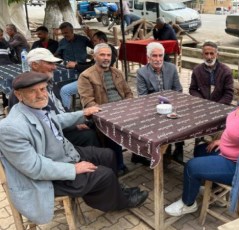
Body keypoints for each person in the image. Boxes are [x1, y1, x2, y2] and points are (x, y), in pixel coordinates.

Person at [0, 71, 148, 224]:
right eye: (32, 91)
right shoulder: (10, 128)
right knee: (104, 175)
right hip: (49, 176)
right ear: (18, 95)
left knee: (108, 155)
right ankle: (120, 202)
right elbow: (34, 168)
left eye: (42, 89)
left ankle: (114, 192)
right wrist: (73, 169)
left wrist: (83, 113)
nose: (40, 95)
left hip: (62, 155)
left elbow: (55, 120)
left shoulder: (34, 107)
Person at [164, 65, 239, 216]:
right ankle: (212, 185)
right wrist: (222, 141)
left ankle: (188, 203)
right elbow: (237, 130)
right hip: (229, 153)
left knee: (191, 166)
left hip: (238, 166)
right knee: (199, 150)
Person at [7, 48, 100, 147]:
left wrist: (74, 122)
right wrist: (74, 122)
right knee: (90, 136)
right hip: (52, 137)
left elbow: (60, 110)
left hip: (62, 125)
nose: (54, 67)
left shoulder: (49, 83)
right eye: (49, 63)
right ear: (34, 65)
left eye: (54, 64)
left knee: (95, 123)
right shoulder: (23, 91)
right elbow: (41, 124)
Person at [78, 43, 133, 176]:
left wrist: (127, 107)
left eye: (108, 55)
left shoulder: (117, 72)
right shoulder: (86, 76)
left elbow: (128, 93)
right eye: (102, 54)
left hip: (124, 111)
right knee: (112, 132)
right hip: (103, 115)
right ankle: (118, 165)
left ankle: (141, 156)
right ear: (94, 56)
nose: (106, 58)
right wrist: (111, 113)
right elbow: (89, 102)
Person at [136, 42, 183, 163]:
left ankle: (179, 148)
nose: (158, 59)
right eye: (154, 56)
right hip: (153, 108)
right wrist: (162, 102)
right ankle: (160, 152)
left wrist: (169, 103)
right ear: (148, 58)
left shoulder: (171, 68)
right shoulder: (142, 73)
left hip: (172, 105)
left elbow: (178, 90)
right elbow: (143, 97)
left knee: (181, 118)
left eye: (160, 55)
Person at [55, 22, 94, 110]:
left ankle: (67, 111)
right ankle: (62, 109)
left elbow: (95, 46)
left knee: (65, 90)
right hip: (68, 72)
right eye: (63, 33)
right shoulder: (62, 42)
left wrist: (90, 35)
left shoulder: (82, 39)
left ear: (72, 31)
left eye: (66, 33)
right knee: (57, 85)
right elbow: (58, 55)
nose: (65, 35)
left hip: (82, 70)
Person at [189, 41, 234, 105]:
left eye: (212, 53)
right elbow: (193, 89)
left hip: (220, 106)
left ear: (217, 55)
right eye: (206, 54)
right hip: (201, 105)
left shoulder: (226, 71)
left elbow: (228, 94)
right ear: (202, 55)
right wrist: (202, 102)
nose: (209, 57)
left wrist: (216, 106)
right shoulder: (197, 70)